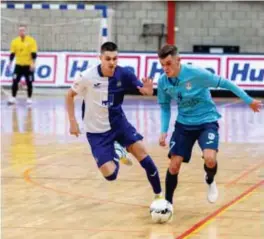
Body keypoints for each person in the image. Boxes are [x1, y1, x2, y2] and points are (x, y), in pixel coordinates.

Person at [157, 44, 262, 212]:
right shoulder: (163, 82)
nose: (165, 68)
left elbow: (225, 83)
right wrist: (163, 130)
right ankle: (168, 204)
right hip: (184, 124)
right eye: (162, 65)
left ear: (178, 60)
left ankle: (210, 179)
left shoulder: (197, 74)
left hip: (207, 120)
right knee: (174, 164)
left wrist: (248, 100)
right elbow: (164, 106)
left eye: (169, 63)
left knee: (210, 159)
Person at [66, 41, 163, 206]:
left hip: (118, 124)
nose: (112, 62)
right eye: (108, 59)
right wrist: (72, 122)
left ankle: (160, 197)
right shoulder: (87, 77)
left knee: (143, 155)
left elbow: (144, 90)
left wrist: (148, 91)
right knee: (110, 175)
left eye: (115, 58)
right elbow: (69, 96)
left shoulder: (124, 74)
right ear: (100, 58)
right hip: (96, 131)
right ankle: (118, 151)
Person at [7, 24, 38, 105]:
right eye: (20, 30)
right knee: (14, 81)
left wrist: (33, 64)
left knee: (29, 82)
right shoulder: (15, 41)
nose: (22, 32)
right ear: (18, 31)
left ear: (26, 31)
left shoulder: (31, 41)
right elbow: (12, 53)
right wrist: (10, 63)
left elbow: (34, 54)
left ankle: (29, 98)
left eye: (23, 30)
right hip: (18, 65)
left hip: (28, 65)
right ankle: (13, 98)